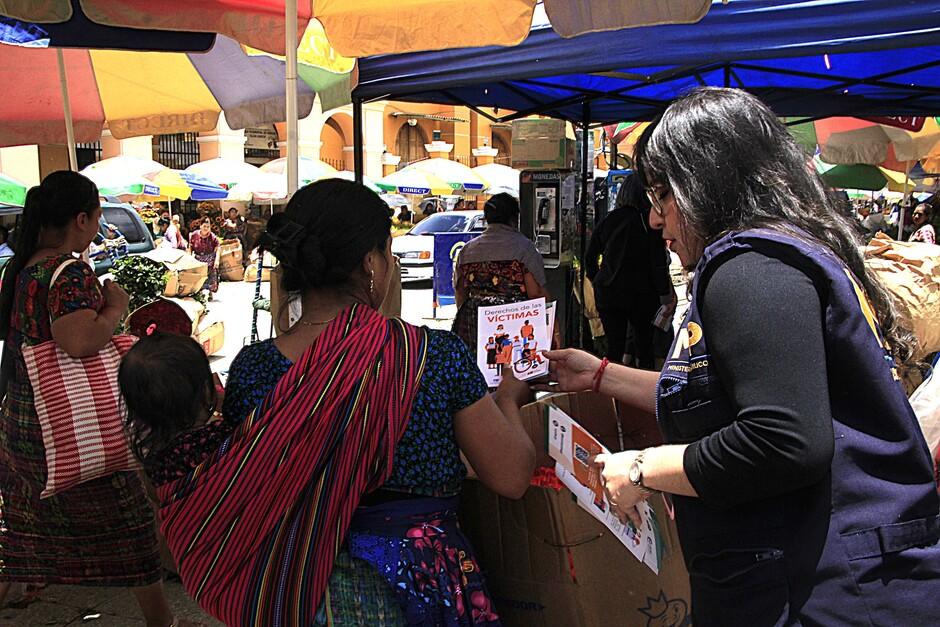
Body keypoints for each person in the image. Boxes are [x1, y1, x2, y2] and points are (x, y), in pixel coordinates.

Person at [542, 88, 940, 626]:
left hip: (816, 589)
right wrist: (599, 375)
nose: (656, 219)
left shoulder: (747, 268)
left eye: (663, 194)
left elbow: (783, 437)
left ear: (706, 179)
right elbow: (722, 390)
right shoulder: (776, 258)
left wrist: (642, 468)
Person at [137, 179, 535, 626]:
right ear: (371, 262)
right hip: (418, 591)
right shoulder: (431, 357)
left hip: (294, 592)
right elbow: (511, 476)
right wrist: (509, 401)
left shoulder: (254, 369)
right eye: (389, 253)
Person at [0, 171, 188, 626]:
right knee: (132, 520)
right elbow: (80, 341)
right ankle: (163, 621)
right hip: (69, 427)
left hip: (24, 419)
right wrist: (115, 307)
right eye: (98, 218)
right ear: (81, 219)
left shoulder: (21, 268)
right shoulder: (69, 271)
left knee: (26, 526)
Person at [585, 174, 675, 367]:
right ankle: (643, 393)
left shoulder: (610, 219)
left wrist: (597, 278)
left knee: (614, 348)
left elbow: (589, 257)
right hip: (641, 293)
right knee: (644, 347)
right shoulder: (648, 223)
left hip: (609, 291)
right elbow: (657, 261)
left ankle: (611, 392)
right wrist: (664, 294)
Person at [452, 193, 551, 353]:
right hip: (513, 326)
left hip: (474, 326)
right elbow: (536, 294)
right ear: (514, 219)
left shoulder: (467, 251)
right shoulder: (525, 248)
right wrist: (554, 330)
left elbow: (460, 293)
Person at [187, 217, 220, 300]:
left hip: (210, 259)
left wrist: (217, 260)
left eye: (208, 227)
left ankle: (210, 293)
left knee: (211, 277)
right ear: (200, 226)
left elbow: (218, 248)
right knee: (199, 277)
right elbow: (190, 247)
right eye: (204, 226)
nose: (206, 228)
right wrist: (188, 258)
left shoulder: (212, 237)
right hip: (198, 259)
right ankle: (199, 293)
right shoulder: (194, 235)